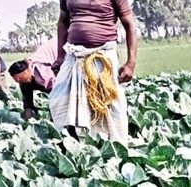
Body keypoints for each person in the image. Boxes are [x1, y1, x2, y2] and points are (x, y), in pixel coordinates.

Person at [49, 0, 138, 143]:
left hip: (103, 57)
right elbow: (63, 20)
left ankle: (112, 144)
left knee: (108, 105)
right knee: (59, 99)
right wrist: (60, 56)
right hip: (75, 56)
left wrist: (131, 63)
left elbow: (130, 25)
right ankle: (73, 144)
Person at [9, 39, 59, 120]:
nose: (19, 81)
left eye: (21, 79)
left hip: (59, 52)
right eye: (18, 80)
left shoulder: (43, 74)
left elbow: (57, 92)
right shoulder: (24, 79)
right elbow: (27, 100)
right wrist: (28, 120)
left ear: (28, 71)